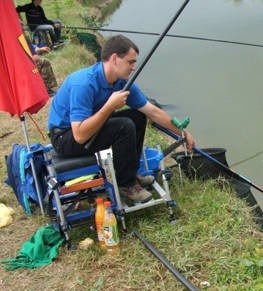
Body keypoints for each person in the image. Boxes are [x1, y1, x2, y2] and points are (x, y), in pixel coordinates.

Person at [47, 35, 196, 204]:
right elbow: (79, 135)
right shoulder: (83, 84)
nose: (133, 68)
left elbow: (153, 111)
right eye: (130, 62)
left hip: (88, 131)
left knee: (138, 116)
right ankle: (126, 185)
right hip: (65, 138)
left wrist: (183, 133)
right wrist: (109, 106)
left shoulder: (120, 82)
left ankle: (131, 174)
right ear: (115, 59)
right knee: (124, 126)